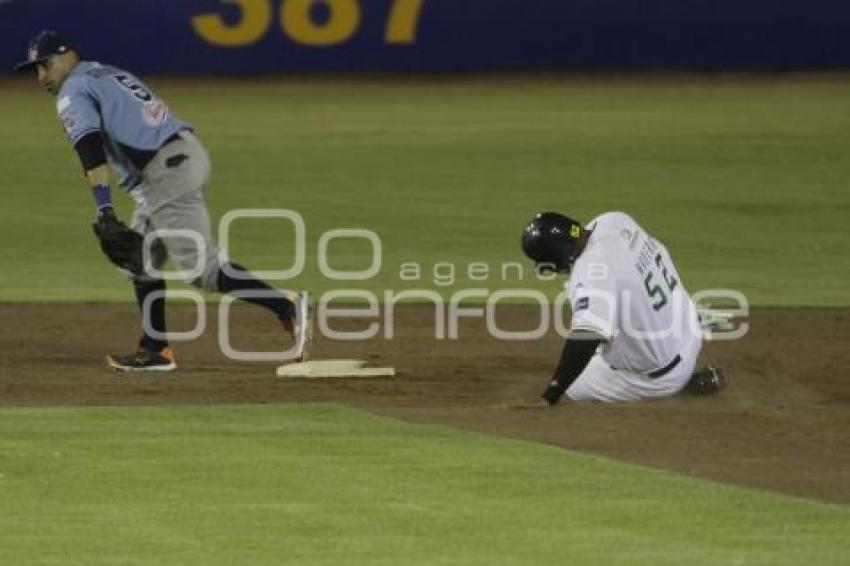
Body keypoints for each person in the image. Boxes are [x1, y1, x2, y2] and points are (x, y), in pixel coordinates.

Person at [15, 30, 311, 371]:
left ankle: (285, 306)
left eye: (45, 66)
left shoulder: (73, 90)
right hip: (175, 159)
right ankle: (155, 349)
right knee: (139, 259)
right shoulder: (103, 72)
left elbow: (89, 149)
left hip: (165, 171)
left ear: (68, 57)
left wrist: (105, 208)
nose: (41, 77)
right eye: (36, 69)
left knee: (201, 268)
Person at [520, 210, 725, 404]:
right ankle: (696, 319)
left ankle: (685, 386)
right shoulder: (614, 220)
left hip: (666, 375)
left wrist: (551, 394)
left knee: (575, 383)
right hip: (688, 331)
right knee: (626, 299)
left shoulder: (592, 273)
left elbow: (586, 336)